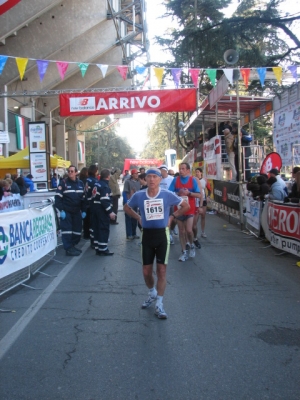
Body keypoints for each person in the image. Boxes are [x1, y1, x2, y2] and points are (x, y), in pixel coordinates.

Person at [123, 168, 190, 319]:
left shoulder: (166, 194)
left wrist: (172, 216)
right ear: (145, 179)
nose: (152, 179)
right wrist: (138, 217)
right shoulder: (140, 195)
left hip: (162, 235)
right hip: (147, 235)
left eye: (155, 177)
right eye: (149, 177)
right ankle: (152, 292)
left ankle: (159, 303)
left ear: (160, 179)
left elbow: (186, 206)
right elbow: (126, 207)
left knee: (161, 271)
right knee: (146, 272)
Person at [168, 162, 201, 262]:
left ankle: (191, 245)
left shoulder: (192, 180)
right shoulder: (175, 180)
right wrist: (178, 193)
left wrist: (189, 193)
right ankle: (184, 252)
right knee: (181, 231)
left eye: (183, 169)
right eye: (180, 168)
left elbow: (199, 195)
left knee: (189, 230)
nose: (181, 171)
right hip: (178, 209)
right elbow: (170, 192)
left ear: (188, 170)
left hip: (189, 209)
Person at [55, 165, 87, 256]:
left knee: (77, 231)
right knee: (67, 231)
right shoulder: (63, 183)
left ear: (76, 173)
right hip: (67, 212)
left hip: (77, 212)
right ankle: (68, 249)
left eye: (72, 171)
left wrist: (84, 210)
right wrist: (61, 210)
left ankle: (73, 246)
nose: (70, 173)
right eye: (69, 171)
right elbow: (57, 198)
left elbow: (84, 199)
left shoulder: (80, 184)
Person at [92, 169, 116, 256]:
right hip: (101, 211)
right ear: (108, 176)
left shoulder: (97, 183)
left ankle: (98, 248)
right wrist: (110, 212)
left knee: (97, 229)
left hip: (95, 209)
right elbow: (104, 200)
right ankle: (103, 249)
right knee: (103, 229)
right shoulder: (104, 186)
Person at [123, 169, 141, 240]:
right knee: (128, 219)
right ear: (132, 175)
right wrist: (126, 202)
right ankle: (129, 234)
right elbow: (124, 192)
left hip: (135, 203)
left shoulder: (138, 182)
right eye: (135, 173)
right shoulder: (128, 181)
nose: (136, 175)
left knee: (135, 218)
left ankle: (134, 233)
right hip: (129, 202)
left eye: (137, 173)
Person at [85, 164, 99, 248]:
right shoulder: (94, 181)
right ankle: (94, 241)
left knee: (91, 223)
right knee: (94, 223)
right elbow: (95, 193)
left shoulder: (88, 180)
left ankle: (92, 240)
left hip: (89, 203)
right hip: (94, 204)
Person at [79, 167, 90, 239]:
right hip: (86, 201)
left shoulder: (79, 180)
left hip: (80, 200)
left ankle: (84, 233)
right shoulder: (86, 181)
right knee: (87, 219)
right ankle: (87, 234)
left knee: (84, 219)